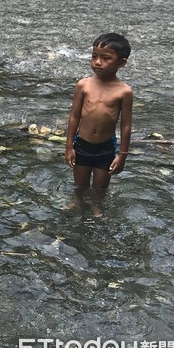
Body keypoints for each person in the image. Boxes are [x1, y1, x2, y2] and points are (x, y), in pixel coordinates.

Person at [64, 33, 133, 213]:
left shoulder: (124, 91)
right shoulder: (83, 85)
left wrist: (123, 154)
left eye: (105, 58)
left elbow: (125, 125)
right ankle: (78, 202)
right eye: (94, 56)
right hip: (82, 144)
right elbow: (74, 117)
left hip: (106, 147)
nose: (97, 62)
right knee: (80, 184)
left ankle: (96, 205)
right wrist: (69, 146)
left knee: (100, 187)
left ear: (121, 63)